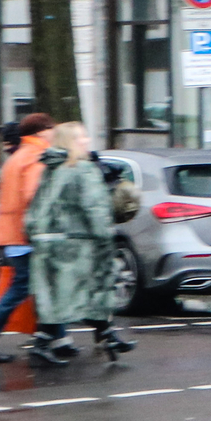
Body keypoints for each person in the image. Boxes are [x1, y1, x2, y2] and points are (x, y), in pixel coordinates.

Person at [23, 121, 134, 365]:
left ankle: (107, 335)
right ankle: (43, 344)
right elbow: (94, 208)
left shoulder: (51, 168)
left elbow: (36, 206)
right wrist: (106, 237)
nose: (86, 141)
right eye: (81, 138)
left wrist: (34, 232)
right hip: (79, 243)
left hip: (49, 242)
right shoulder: (83, 169)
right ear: (70, 142)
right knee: (93, 290)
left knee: (60, 296)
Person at [0, 111, 53, 363]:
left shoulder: (16, 157)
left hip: (12, 234)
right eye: (51, 129)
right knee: (24, 287)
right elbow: (34, 196)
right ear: (41, 132)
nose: (55, 133)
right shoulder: (36, 156)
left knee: (37, 286)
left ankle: (57, 339)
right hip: (26, 235)